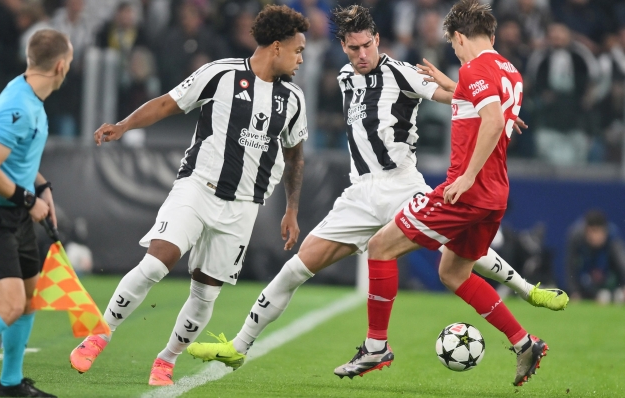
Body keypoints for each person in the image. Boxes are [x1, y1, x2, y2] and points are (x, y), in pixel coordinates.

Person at [188, 2, 567, 384]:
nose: (362, 54)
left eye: (368, 45)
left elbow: (453, 96)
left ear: (378, 40)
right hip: (359, 195)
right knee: (295, 270)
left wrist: (495, 108)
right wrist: (495, 103)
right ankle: (239, 346)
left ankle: (523, 289)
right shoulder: (343, 77)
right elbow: (474, 95)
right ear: (343, 48)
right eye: (353, 49)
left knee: (454, 254)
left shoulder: (402, 73)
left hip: (402, 185)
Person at [69, 4, 310, 387]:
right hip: (198, 187)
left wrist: (292, 209)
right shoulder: (221, 74)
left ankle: (166, 360)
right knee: (155, 264)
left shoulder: (293, 100)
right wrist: (124, 126)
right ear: (277, 47)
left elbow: (296, 156)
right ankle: (99, 334)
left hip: (244, 207)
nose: (301, 58)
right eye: (298, 50)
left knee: (205, 297)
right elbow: (167, 102)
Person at [331, 0, 546, 386]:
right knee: (453, 272)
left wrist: (465, 179)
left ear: (460, 37)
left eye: (455, 45)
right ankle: (523, 341)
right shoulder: (508, 69)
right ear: (492, 34)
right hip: (496, 194)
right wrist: (452, 86)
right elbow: (489, 109)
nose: (456, 52)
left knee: (380, 248)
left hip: (467, 191)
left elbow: (493, 120)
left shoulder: (476, 67)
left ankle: (376, 345)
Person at [0, 29, 73, 398]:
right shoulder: (17, 108)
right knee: (9, 306)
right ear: (61, 66)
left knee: (29, 297)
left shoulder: (31, 97)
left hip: (16, 214)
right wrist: (28, 200)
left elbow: (15, 160)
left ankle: (10, 386)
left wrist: (42, 188)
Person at [566, 209, 625, 304]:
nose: (595, 236)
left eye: (598, 231)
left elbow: (622, 262)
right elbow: (569, 266)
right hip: (586, 284)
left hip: (609, 281)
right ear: (586, 230)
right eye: (592, 231)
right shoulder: (575, 236)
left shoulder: (613, 237)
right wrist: (574, 291)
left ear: (605, 230)